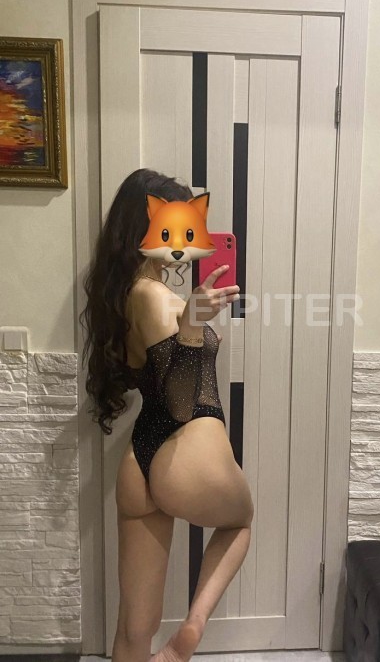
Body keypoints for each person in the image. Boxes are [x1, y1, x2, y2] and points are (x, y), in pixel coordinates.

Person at [80, 168, 254, 662]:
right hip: (186, 449)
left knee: (134, 629)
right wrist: (194, 325)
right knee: (240, 522)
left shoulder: (125, 296)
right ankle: (190, 631)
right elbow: (180, 402)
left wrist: (192, 321)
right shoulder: (154, 297)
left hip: (141, 459)